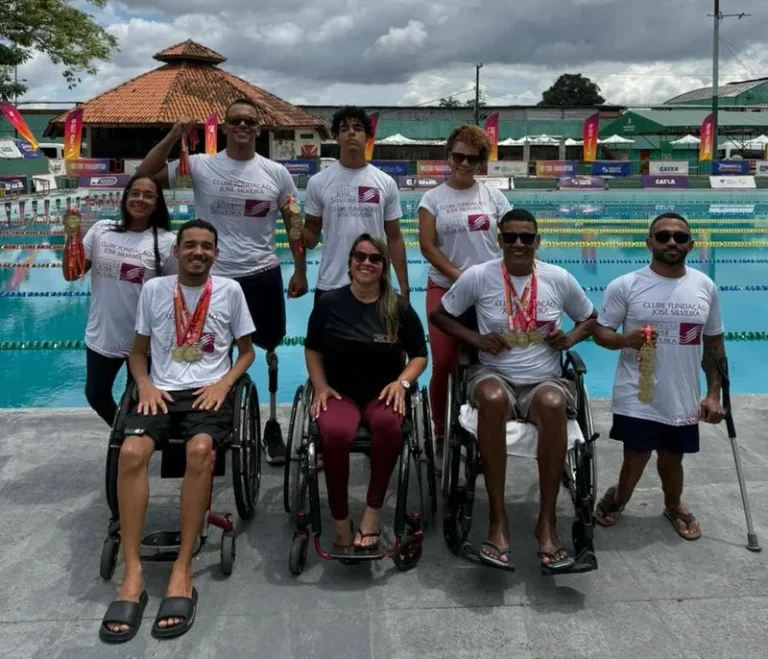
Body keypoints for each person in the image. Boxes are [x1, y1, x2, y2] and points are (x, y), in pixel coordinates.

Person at [99, 219, 256, 643]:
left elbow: (246, 353)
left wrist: (224, 383)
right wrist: (146, 384)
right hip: (161, 391)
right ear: (178, 251)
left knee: (200, 450)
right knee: (131, 454)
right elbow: (137, 353)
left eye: (206, 246)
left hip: (209, 392)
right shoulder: (154, 290)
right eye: (190, 245)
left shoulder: (230, 291)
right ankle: (132, 574)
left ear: (216, 254)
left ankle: (182, 568)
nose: (198, 252)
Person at [139, 97, 306, 465]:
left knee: (270, 348)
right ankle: (214, 423)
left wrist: (300, 268)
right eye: (236, 121)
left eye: (250, 121)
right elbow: (145, 175)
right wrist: (172, 136)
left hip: (261, 273)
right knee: (214, 352)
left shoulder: (276, 173)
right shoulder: (200, 165)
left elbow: (294, 224)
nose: (243, 127)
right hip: (213, 277)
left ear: (259, 129)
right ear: (226, 127)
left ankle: (272, 424)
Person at [429, 208, 597, 571]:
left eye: (526, 237)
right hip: (494, 375)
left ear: (538, 241)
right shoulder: (478, 276)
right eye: (510, 237)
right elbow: (439, 315)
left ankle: (547, 523)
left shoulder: (559, 277)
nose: (518, 244)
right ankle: (497, 520)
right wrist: (475, 338)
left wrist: (568, 338)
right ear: (499, 240)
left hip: (544, 379)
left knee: (553, 403)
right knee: (490, 398)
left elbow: (590, 318)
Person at [593, 212, 726, 540]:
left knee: (672, 457)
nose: (671, 241)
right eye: (663, 235)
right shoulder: (625, 285)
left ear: (690, 245)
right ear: (649, 242)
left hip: (681, 393)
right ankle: (619, 497)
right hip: (639, 391)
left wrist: (713, 394)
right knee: (636, 455)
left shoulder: (705, 286)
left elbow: (713, 345)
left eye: (679, 237)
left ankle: (673, 505)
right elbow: (600, 332)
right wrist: (626, 339)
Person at [304, 233, 427, 550]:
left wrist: (402, 383)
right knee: (334, 432)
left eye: (374, 259)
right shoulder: (330, 304)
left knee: (388, 427)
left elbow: (419, 355)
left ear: (383, 267)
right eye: (360, 257)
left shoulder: (397, 308)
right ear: (350, 263)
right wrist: (320, 385)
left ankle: (372, 513)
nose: (366, 263)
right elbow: (313, 349)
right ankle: (340, 517)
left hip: (383, 393)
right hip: (339, 392)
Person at [418, 124, 512, 469]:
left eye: (472, 159)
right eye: (458, 156)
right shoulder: (433, 198)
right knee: (442, 362)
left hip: (488, 292)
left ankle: (482, 430)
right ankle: (440, 433)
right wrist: (463, 279)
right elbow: (427, 247)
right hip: (445, 287)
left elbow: (512, 236)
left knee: (489, 362)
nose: (464, 163)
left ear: (481, 163)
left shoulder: (493, 197)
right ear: (448, 157)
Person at [63, 173, 177, 425]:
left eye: (148, 195)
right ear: (125, 198)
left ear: (157, 203)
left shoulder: (167, 243)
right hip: (103, 335)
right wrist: (71, 238)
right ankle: (123, 432)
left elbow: (178, 293)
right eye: (135, 193)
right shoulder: (101, 230)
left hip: (145, 340)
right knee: (96, 394)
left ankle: (131, 443)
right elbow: (72, 273)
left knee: (137, 400)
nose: (140, 199)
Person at [301, 106, 410, 304]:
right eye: (344, 128)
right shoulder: (318, 182)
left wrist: (404, 288)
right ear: (336, 137)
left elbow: (394, 237)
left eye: (358, 128)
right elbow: (310, 238)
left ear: (368, 136)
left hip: (375, 285)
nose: (351, 132)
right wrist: (294, 226)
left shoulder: (385, 182)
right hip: (331, 284)